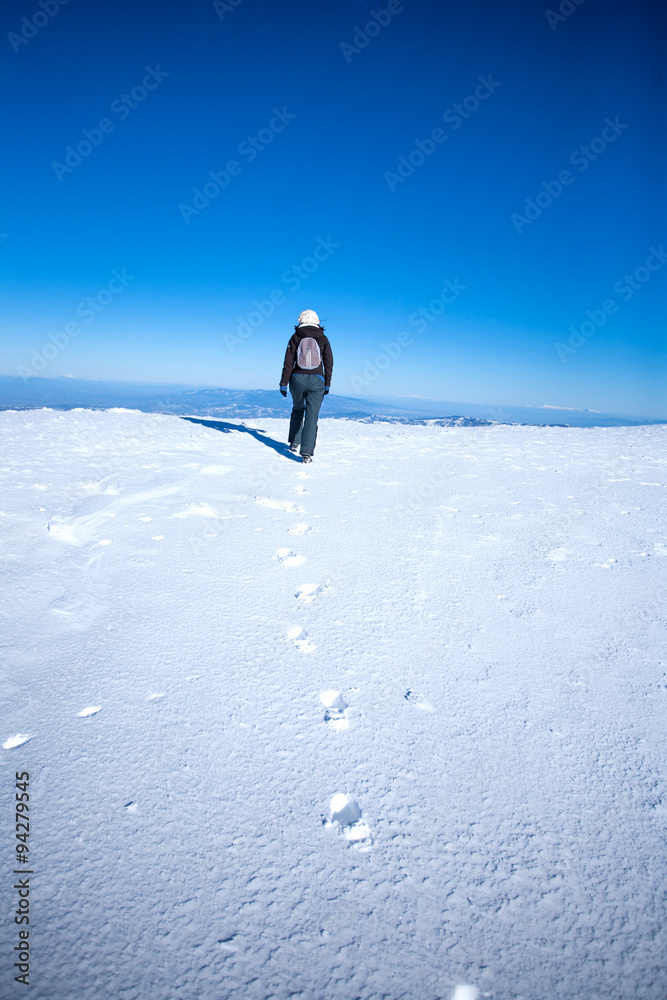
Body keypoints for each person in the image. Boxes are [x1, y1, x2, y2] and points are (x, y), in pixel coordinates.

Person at [279, 309, 333, 463]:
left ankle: (294, 442)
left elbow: (288, 361)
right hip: (317, 380)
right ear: (317, 321)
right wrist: (327, 383)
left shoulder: (295, 337)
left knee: (298, 409)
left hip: (297, 379)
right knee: (312, 415)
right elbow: (329, 363)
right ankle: (306, 453)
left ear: (301, 320)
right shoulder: (323, 338)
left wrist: (283, 383)